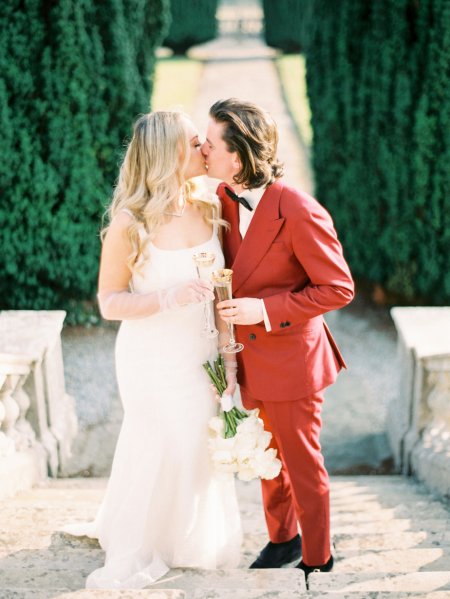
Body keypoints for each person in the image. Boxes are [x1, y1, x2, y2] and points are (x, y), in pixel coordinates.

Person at [63, 111, 242, 589]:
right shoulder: (130, 222)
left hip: (201, 348)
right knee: (162, 440)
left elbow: (223, 288)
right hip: (152, 353)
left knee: (196, 445)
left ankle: (186, 537)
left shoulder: (211, 208)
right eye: (193, 142)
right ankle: (143, 541)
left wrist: (230, 357)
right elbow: (108, 302)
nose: (206, 146)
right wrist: (167, 297)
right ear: (166, 153)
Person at [202, 98, 354, 577]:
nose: (201, 149)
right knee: (266, 457)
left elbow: (338, 288)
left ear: (239, 157)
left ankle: (318, 557)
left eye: (210, 143)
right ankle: (282, 538)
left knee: (303, 466)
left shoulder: (299, 210)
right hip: (247, 360)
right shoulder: (223, 199)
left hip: (292, 361)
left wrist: (264, 310)